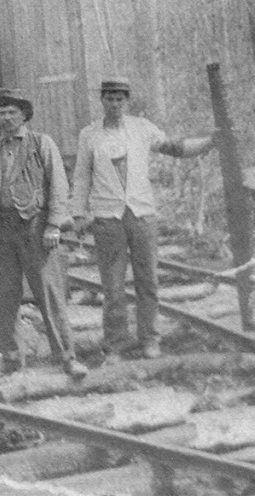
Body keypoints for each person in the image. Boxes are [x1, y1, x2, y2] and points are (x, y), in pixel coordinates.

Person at [72, 77, 215, 362]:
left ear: (127, 101)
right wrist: (77, 213)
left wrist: (210, 142)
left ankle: (150, 339)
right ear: (102, 100)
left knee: (147, 281)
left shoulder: (142, 128)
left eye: (119, 99)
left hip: (142, 215)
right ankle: (115, 344)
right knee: (112, 286)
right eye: (109, 98)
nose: (114, 104)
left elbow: (173, 147)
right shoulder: (89, 135)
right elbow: (82, 177)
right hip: (107, 218)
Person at [0, 89, 88, 378]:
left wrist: (54, 225)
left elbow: (59, 186)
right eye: (1, 112)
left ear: (24, 114)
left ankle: (67, 357)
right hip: (2, 230)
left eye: (12, 112)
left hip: (35, 229)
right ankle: (11, 358)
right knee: (6, 297)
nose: (6, 117)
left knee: (48, 294)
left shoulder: (41, 144)